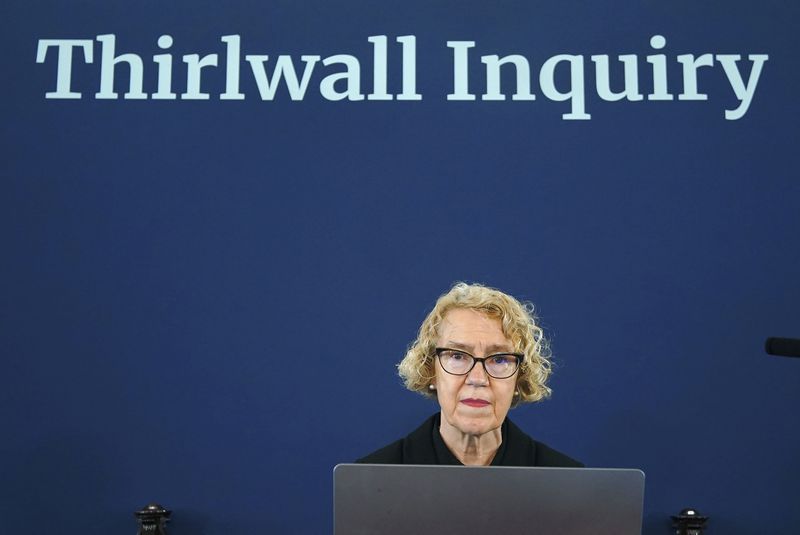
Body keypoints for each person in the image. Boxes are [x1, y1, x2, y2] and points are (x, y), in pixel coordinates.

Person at [358, 282, 582, 467]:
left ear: (519, 378)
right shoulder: (369, 481)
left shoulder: (568, 484)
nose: (478, 379)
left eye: (499, 359)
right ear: (430, 371)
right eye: (457, 356)